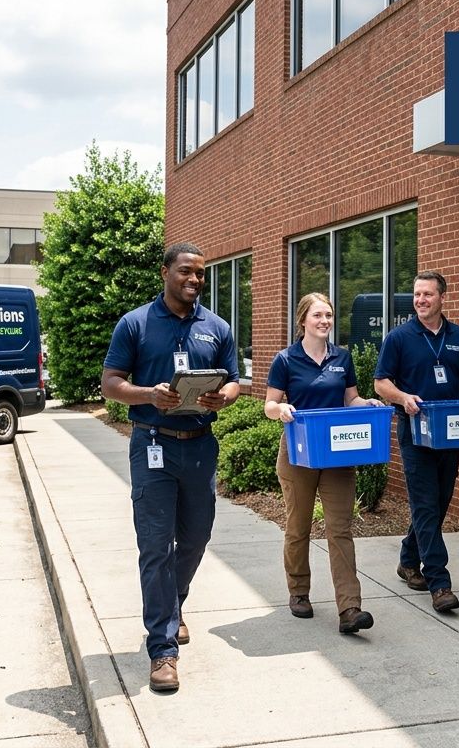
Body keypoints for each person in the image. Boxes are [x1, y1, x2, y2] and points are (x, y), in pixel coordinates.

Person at [102, 243, 241, 693]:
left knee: (197, 537)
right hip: (153, 447)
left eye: (200, 274)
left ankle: (173, 603)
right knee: (156, 545)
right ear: (165, 273)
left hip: (200, 447)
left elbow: (235, 379)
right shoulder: (135, 324)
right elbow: (111, 384)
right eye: (186, 272)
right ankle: (162, 649)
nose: (194, 280)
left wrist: (225, 396)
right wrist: (147, 394)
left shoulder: (216, 327)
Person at [374, 270, 459, 614]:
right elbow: (381, 383)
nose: (420, 300)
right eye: (416, 295)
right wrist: (402, 397)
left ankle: (408, 560)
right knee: (426, 504)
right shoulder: (399, 337)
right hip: (415, 433)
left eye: (427, 294)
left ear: (443, 297)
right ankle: (439, 582)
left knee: (439, 503)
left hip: (449, 433)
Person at [264, 293, 385, 634]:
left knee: (340, 529)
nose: (325, 321)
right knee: (298, 527)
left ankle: (350, 608)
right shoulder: (286, 360)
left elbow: (350, 398)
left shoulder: (342, 358)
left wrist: (367, 404)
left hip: (336, 454)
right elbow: (269, 404)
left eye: (329, 315)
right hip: (298, 454)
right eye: (318, 315)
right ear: (303, 320)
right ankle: (299, 592)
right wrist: (281, 410)